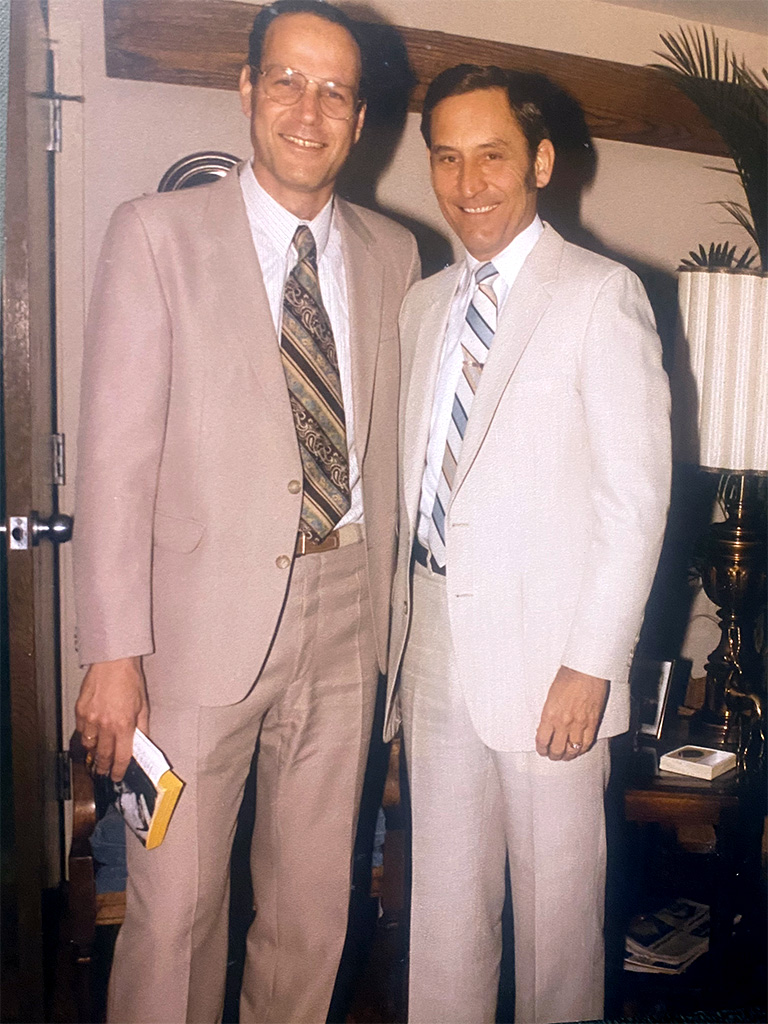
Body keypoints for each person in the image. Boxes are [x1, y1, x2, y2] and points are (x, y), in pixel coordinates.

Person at [73, 2, 419, 1020]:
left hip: (350, 610)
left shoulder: (397, 253)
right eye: (287, 80)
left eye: (335, 91)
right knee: (175, 912)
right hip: (191, 633)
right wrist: (111, 651)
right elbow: (112, 462)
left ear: (360, 121)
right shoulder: (156, 235)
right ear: (246, 89)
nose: (307, 109)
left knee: (314, 912)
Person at [385, 65, 671, 1024]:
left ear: (541, 162)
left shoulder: (602, 296)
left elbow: (634, 505)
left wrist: (592, 665)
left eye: (493, 157)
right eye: (449, 159)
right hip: (431, 648)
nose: (470, 184)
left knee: (556, 929)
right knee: (445, 916)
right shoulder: (422, 307)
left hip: (553, 661)